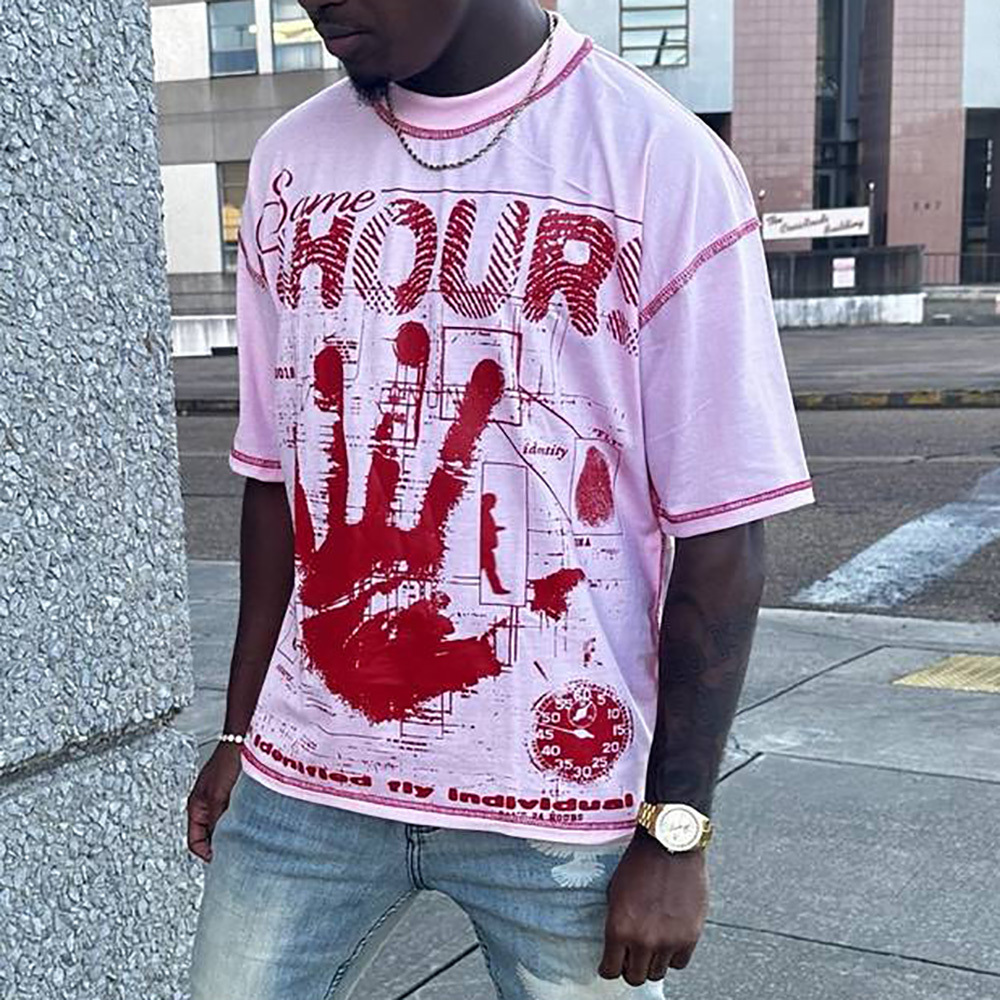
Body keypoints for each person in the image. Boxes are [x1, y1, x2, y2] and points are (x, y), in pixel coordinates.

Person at [185, 1, 814, 997]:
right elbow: (274, 482)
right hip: (305, 782)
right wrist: (238, 732)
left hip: (560, 809)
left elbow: (723, 536)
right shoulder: (289, 161)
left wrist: (677, 829)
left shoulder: (658, 159)